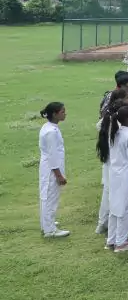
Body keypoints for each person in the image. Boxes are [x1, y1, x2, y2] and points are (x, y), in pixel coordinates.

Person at [101, 105, 128, 252]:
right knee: (125, 208)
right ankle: (121, 242)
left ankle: (111, 240)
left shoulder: (115, 132)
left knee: (114, 207)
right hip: (125, 174)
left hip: (114, 173)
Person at [96, 88, 128, 235]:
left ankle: (103, 223)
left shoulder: (107, 119)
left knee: (109, 191)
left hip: (110, 160)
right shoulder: (117, 124)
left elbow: (100, 127)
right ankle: (106, 223)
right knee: (112, 192)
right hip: (116, 162)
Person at [39, 102, 69, 239]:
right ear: (54, 114)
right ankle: (50, 230)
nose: (65, 113)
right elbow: (52, 155)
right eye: (62, 111)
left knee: (47, 196)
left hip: (50, 167)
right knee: (50, 197)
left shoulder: (49, 127)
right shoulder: (51, 132)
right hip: (51, 169)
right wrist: (59, 175)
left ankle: (47, 223)